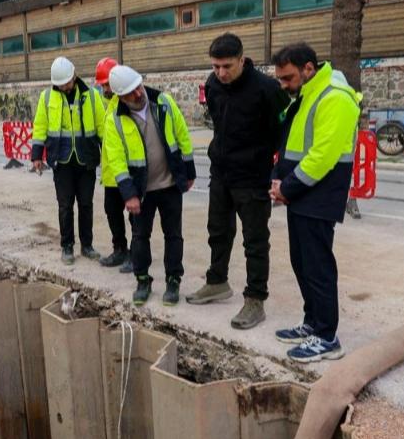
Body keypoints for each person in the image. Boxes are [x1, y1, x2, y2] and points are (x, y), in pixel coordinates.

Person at [188, 33, 292, 331]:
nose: (221, 73)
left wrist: (277, 172)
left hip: (253, 176)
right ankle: (217, 282)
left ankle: (255, 299)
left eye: (227, 66)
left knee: (255, 241)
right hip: (222, 173)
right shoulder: (212, 85)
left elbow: (283, 134)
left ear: (242, 60)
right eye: (216, 66)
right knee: (218, 231)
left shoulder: (268, 89)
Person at [269, 43, 361, 363]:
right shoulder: (310, 93)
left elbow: (322, 156)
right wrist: (279, 180)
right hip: (302, 193)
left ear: (308, 69)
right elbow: (294, 145)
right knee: (302, 262)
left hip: (318, 195)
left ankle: (326, 336)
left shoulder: (335, 97)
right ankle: (312, 321)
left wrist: (287, 189)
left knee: (318, 266)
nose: (284, 85)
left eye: (288, 77)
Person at [102, 65, 195, 306]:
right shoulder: (115, 121)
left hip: (170, 184)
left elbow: (182, 134)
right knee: (140, 237)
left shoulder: (163, 102)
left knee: (174, 235)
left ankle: (173, 281)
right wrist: (129, 194)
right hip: (141, 192)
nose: (137, 94)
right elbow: (116, 160)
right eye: (130, 93)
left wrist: (189, 170)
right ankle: (143, 280)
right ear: (120, 97)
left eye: (138, 87)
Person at [31, 56, 107, 265]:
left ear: (74, 76)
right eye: (60, 84)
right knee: (65, 205)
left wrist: (108, 154)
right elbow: (40, 126)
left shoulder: (91, 96)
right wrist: (37, 155)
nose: (64, 87)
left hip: (86, 159)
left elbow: (102, 127)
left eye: (66, 82)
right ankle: (67, 247)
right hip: (61, 161)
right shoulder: (47, 97)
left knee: (86, 205)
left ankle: (87, 245)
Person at [94, 57, 131, 273]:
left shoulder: (128, 101)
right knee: (112, 212)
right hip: (110, 173)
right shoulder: (104, 102)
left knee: (136, 216)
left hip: (128, 171)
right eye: (102, 85)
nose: (105, 88)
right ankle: (120, 249)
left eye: (107, 84)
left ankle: (137, 253)